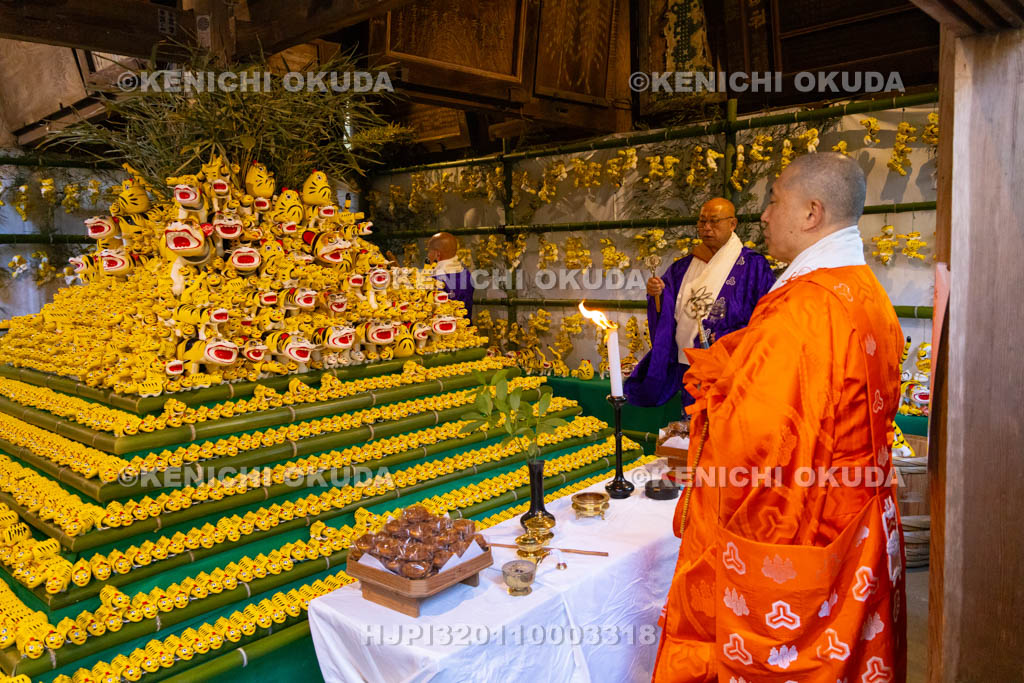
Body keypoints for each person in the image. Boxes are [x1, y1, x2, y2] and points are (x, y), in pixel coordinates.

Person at [652, 153, 906, 682]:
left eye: (773, 201)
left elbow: (755, 439)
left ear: (812, 213)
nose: (764, 216)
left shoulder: (803, 310)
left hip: (804, 525)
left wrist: (711, 399)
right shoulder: (867, 292)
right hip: (859, 519)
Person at [625, 198, 774, 411]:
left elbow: (767, 317)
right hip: (687, 364)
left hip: (728, 366)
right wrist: (657, 294)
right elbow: (666, 308)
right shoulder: (682, 267)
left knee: (722, 423)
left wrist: (729, 336)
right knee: (691, 421)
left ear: (732, 224)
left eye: (714, 221)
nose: (706, 227)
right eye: (702, 221)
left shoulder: (753, 266)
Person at [425, 232, 474, 317]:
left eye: (429, 251)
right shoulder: (467, 274)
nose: (428, 256)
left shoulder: (435, 279)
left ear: (437, 254)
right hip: (466, 323)